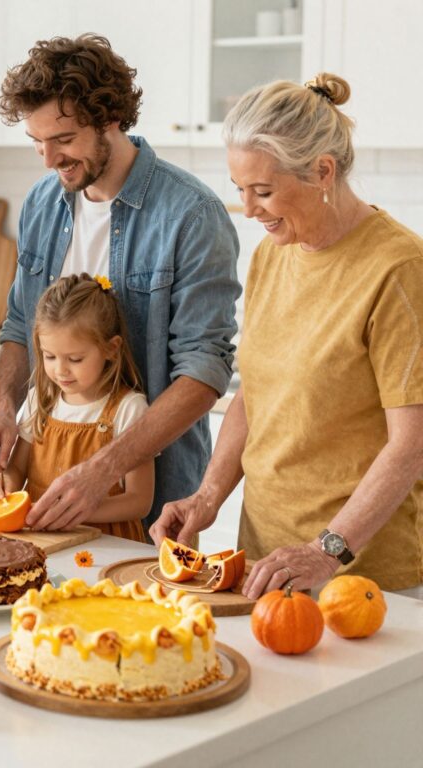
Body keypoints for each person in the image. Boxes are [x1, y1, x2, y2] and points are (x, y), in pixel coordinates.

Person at [151, 74, 423, 597]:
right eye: (240, 190)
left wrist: (327, 550)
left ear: (323, 171)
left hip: (363, 574)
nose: (248, 210)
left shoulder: (398, 269)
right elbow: (254, 396)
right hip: (265, 561)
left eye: (264, 191)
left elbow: (410, 446)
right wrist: (206, 498)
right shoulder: (271, 255)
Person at [0, 34, 241, 532]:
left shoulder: (191, 215)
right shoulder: (41, 204)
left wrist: (105, 468)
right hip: (50, 508)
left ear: (110, 118)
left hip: (155, 513)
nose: (50, 160)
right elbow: (17, 324)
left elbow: (204, 372)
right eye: (37, 143)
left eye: (64, 140)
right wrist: (5, 408)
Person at [0, 274, 153, 541]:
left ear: (111, 349)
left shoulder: (129, 409)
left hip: (107, 545)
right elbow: (18, 469)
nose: (60, 370)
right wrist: (5, 485)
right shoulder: (39, 400)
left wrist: (76, 510)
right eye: (49, 356)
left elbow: (139, 500)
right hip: (42, 540)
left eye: (75, 358)